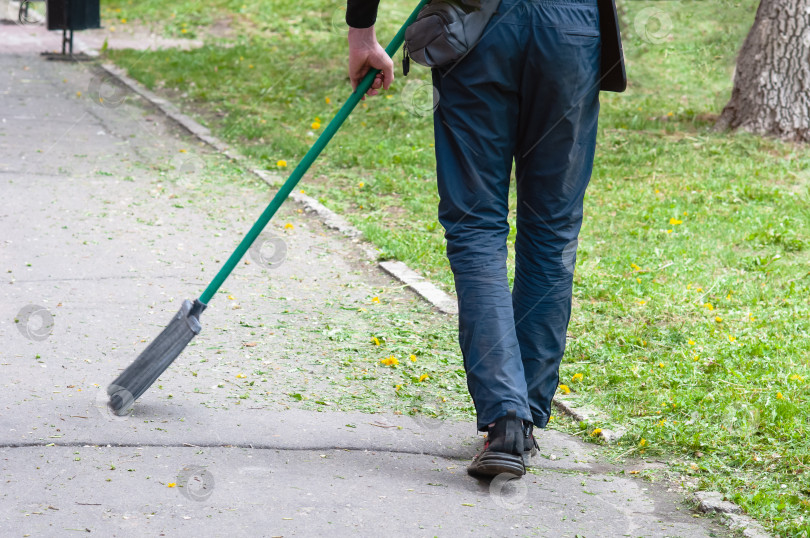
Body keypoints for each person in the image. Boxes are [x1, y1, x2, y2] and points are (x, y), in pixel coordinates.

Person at [346, 0, 617, 478]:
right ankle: (523, 418)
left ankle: (506, 418)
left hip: (477, 27)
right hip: (571, 30)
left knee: (476, 226)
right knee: (550, 230)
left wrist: (362, 34)